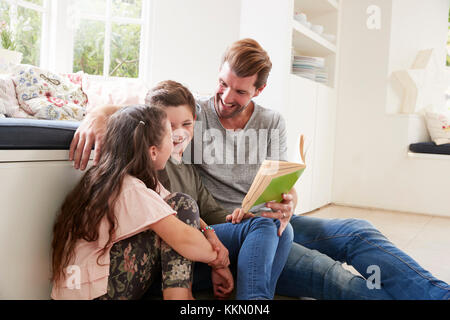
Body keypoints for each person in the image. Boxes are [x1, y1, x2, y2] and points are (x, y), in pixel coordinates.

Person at [69, 38, 450, 300]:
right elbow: (146, 113)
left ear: (258, 92)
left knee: (355, 230)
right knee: (333, 275)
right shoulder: (191, 113)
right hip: (228, 226)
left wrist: (289, 202)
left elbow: (282, 182)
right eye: (221, 84)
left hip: (260, 220)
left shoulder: (271, 122)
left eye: (239, 92)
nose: (224, 97)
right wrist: (99, 112)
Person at [51, 105, 223, 300]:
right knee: (181, 207)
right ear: (152, 151)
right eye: (169, 136)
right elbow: (189, 243)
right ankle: (179, 297)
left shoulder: (110, 178)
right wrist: (219, 260)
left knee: (179, 203)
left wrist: (209, 232)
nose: (174, 140)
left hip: (85, 291)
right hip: (98, 295)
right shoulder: (130, 188)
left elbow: (174, 207)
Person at [145, 80, 294, 300]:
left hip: (195, 249)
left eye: (186, 124)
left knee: (281, 229)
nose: (179, 134)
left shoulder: (186, 164)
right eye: (169, 126)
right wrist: (217, 257)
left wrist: (239, 218)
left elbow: (210, 211)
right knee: (268, 226)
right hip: (168, 259)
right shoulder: (153, 163)